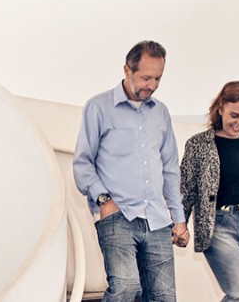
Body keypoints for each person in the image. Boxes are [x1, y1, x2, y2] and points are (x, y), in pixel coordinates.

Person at [73, 40, 189, 302]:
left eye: (158, 78)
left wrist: (179, 218)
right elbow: (82, 163)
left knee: (164, 297)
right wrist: (104, 200)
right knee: (126, 289)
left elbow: (170, 169)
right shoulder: (98, 107)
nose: (152, 85)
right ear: (127, 70)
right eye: (146, 77)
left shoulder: (161, 113)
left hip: (157, 218)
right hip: (118, 214)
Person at [180, 81, 239, 302]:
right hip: (220, 226)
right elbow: (186, 189)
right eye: (235, 115)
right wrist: (179, 223)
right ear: (221, 106)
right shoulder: (198, 144)